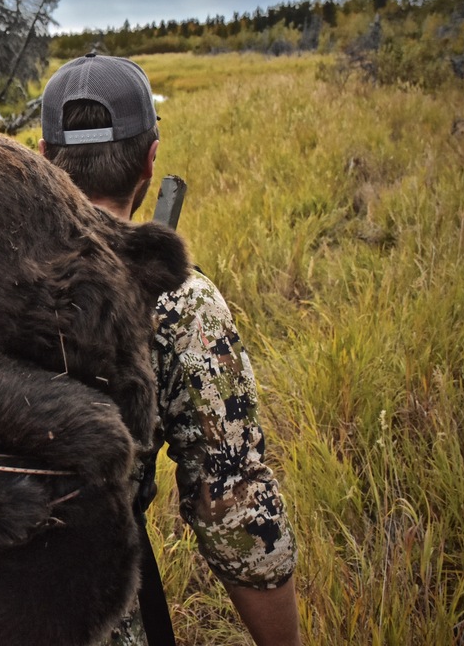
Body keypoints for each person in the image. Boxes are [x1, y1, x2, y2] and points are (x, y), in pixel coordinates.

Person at [39, 53, 300, 646]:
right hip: (94, 615)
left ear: (43, 155)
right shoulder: (182, 302)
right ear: (150, 159)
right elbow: (234, 506)